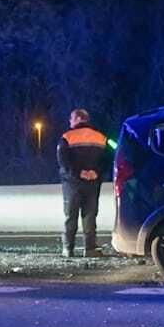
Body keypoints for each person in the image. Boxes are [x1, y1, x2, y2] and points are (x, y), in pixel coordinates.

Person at [57, 108, 109, 258]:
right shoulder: (100, 137)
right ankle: (90, 248)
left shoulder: (67, 137)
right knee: (90, 215)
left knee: (70, 215)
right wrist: (96, 172)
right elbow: (108, 159)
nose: (70, 121)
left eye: (71, 118)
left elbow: (63, 160)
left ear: (78, 119)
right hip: (93, 183)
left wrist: (78, 173)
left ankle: (68, 248)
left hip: (72, 183)